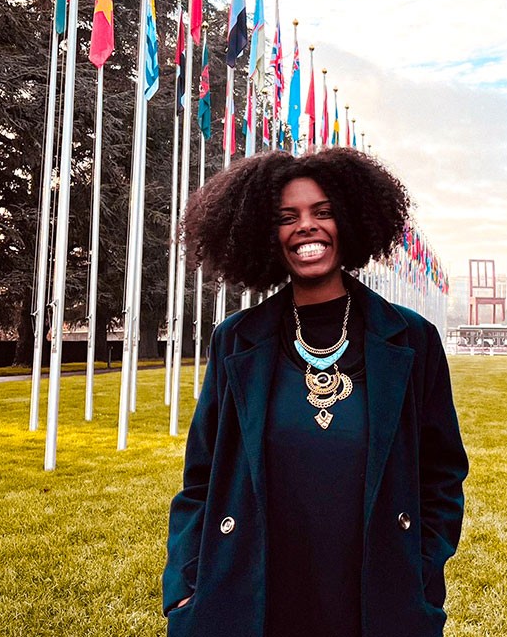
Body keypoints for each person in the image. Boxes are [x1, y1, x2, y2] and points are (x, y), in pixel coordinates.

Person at [162, 148, 468, 637]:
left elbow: (442, 476)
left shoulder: (412, 339)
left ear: (350, 221)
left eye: (322, 212)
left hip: (374, 595)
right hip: (255, 594)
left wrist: (421, 571)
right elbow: (200, 479)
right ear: (267, 235)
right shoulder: (236, 340)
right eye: (288, 218)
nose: (307, 227)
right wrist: (184, 582)